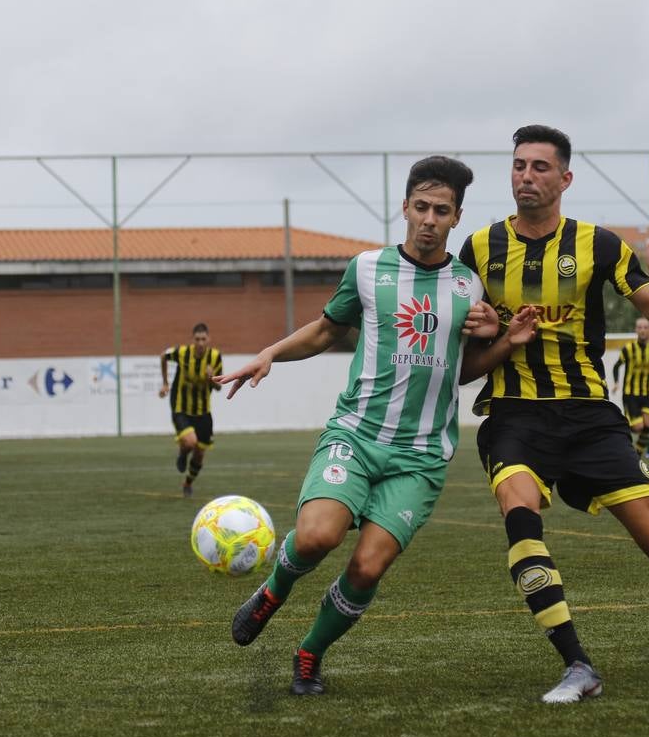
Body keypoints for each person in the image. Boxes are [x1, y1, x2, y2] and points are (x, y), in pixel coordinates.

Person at [214, 155, 537, 696]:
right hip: (357, 436)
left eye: (442, 210)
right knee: (318, 536)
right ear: (404, 207)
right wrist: (268, 353)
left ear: (457, 217)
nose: (429, 219)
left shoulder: (469, 288)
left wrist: (504, 342)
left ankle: (309, 655)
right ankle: (272, 591)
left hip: (421, 456)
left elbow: (463, 370)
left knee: (366, 569)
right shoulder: (366, 269)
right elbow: (324, 332)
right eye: (421, 207)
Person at [458, 124, 649, 705]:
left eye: (538, 167)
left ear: (565, 178)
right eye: (517, 166)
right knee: (519, 510)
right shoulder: (478, 251)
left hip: (590, 418)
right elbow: (463, 369)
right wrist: (499, 341)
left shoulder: (600, 245)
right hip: (514, 417)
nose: (525, 176)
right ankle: (578, 665)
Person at [159, 323, 222, 496]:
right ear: (192, 340)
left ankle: (187, 483)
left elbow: (218, 388)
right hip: (181, 408)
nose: (201, 343)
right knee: (190, 442)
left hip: (203, 412)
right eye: (197, 339)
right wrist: (165, 383)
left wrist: (211, 378)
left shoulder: (215, 357)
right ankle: (182, 452)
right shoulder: (182, 353)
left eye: (203, 339)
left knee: (200, 454)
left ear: (208, 339)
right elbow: (163, 356)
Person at [611, 317, 649, 460]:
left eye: (645, 327)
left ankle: (636, 456)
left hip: (648, 393)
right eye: (640, 327)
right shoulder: (628, 349)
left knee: (648, 425)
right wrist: (617, 382)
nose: (643, 330)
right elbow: (617, 365)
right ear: (636, 330)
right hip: (631, 394)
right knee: (638, 428)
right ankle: (621, 430)